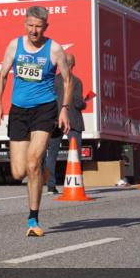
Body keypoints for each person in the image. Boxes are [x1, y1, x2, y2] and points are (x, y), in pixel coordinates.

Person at [0, 6, 72, 237]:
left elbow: (67, 80)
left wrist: (64, 109)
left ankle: (33, 218)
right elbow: (2, 75)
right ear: (25, 24)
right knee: (18, 172)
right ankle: (45, 171)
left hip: (44, 110)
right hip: (19, 111)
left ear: (45, 26)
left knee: (33, 161)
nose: (34, 31)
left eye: (38, 26)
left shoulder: (54, 49)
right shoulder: (14, 46)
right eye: (30, 26)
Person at [43, 53, 91, 195]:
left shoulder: (52, 81)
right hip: (73, 120)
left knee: (51, 153)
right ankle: (75, 183)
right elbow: (77, 102)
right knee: (75, 153)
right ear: (72, 65)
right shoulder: (76, 81)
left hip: (55, 120)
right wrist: (85, 102)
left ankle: (50, 185)